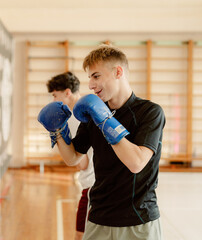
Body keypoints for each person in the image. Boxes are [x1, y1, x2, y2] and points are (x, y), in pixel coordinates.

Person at [38, 45, 165, 240]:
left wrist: (104, 120)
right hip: (99, 217)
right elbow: (73, 158)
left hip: (139, 220)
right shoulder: (91, 114)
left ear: (118, 72)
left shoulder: (150, 112)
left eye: (96, 76)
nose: (90, 84)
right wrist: (58, 131)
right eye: (89, 77)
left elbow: (136, 163)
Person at [46, 72, 94, 240]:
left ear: (67, 92)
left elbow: (82, 163)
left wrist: (60, 136)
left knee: (80, 236)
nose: (53, 101)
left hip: (93, 188)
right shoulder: (88, 110)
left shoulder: (73, 119)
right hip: (98, 183)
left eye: (55, 95)